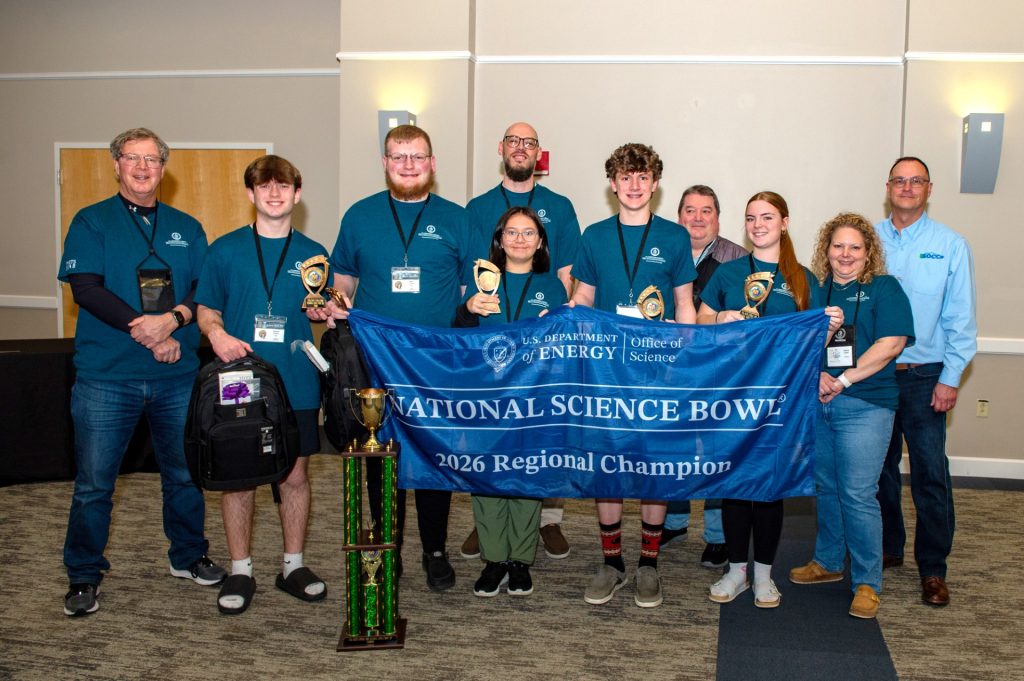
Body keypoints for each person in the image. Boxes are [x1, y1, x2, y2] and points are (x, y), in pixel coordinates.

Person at [58, 127, 225, 617]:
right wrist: (147, 331)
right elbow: (85, 288)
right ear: (116, 165)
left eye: (151, 159)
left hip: (177, 377)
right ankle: (83, 574)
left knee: (184, 475)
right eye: (132, 158)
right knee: (94, 485)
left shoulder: (187, 227)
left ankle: (188, 555)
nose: (142, 167)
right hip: (106, 378)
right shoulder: (91, 221)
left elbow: (204, 288)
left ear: (163, 168)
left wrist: (173, 320)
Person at [319, 124, 472, 592]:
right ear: (385, 163)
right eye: (398, 156)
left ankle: (435, 550)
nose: (408, 165)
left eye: (417, 156)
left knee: (433, 455)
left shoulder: (457, 218)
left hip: (434, 364)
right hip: (375, 361)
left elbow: (469, 291)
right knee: (379, 456)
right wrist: (335, 303)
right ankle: (388, 545)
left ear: (432, 163)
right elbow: (343, 280)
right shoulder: (359, 215)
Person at [195, 155, 327, 615]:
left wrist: (325, 313)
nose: (274, 194)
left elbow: (321, 309)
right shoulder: (225, 250)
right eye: (264, 186)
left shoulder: (314, 254)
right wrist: (215, 334)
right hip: (238, 380)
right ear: (250, 193)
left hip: (297, 382)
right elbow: (206, 309)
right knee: (239, 478)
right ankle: (240, 569)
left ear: (297, 193)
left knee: (295, 477)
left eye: (283, 186)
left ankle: (293, 566)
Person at [698, 191, 842, 609]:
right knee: (733, 482)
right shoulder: (729, 273)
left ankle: (763, 573)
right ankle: (736, 571)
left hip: (782, 399)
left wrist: (830, 329)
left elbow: (813, 343)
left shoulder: (802, 278)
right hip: (733, 394)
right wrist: (720, 317)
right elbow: (701, 323)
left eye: (766, 217)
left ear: (784, 222)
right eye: (751, 218)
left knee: (769, 485)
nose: (758, 225)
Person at [571, 143, 697, 608]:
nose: (635, 185)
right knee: (606, 468)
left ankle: (648, 563)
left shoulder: (675, 237)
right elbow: (584, 298)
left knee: (652, 467)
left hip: (656, 373)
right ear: (613, 184)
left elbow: (684, 303)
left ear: (655, 183)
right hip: (604, 372)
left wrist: (683, 358)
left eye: (643, 177)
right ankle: (612, 563)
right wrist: (565, 319)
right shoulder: (594, 235)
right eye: (626, 177)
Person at [462, 121, 582, 561]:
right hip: (491, 352)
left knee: (541, 442)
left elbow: (568, 274)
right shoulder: (477, 207)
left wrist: (555, 323)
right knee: (490, 441)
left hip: (539, 351)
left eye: (528, 142)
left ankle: (547, 521)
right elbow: (469, 276)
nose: (520, 148)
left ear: (537, 153)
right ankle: (488, 524)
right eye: (513, 141)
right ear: (501, 148)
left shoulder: (559, 206)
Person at [788, 213, 914, 619]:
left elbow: (891, 344)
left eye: (855, 247)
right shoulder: (815, 289)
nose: (845, 254)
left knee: (858, 493)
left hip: (866, 405)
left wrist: (843, 379)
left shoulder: (884, 288)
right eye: (838, 246)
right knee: (826, 487)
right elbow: (798, 341)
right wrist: (817, 376)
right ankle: (827, 561)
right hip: (818, 402)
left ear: (868, 252)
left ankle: (867, 582)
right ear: (826, 250)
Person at [875, 157, 976, 607]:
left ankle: (933, 568)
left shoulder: (950, 245)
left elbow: (961, 318)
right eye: (900, 181)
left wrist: (950, 379)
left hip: (925, 374)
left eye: (916, 181)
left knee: (930, 474)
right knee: (878, 470)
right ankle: (888, 547)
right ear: (888, 187)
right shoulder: (867, 240)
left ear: (929, 189)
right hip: (875, 374)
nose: (907, 187)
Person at [456, 207, 568, 597]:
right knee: (488, 475)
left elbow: (563, 348)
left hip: (533, 398)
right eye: (512, 232)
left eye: (528, 233)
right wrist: (467, 310)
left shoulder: (552, 287)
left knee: (525, 474)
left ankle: (520, 559)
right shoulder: (480, 282)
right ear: (500, 239)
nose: (520, 239)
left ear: (540, 242)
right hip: (487, 398)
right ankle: (494, 559)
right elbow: (459, 338)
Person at [661, 184, 747, 569]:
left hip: (717, 371)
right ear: (679, 215)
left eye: (706, 210)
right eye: (690, 210)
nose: (697, 218)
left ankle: (716, 535)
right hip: (669, 368)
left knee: (714, 449)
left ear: (718, 218)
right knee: (672, 446)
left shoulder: (737, 259)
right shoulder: (664, 251)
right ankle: (674, 522)